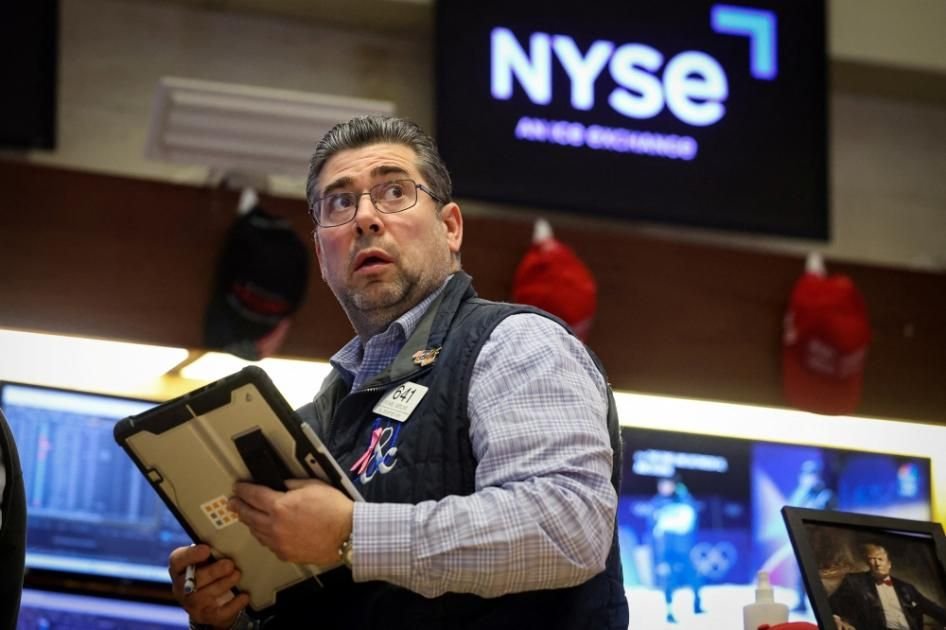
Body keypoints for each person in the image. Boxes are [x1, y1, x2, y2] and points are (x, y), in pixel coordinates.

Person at [168, 115, 629, 630]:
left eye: (394, 191)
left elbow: (568, 527)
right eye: (340, 203)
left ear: (450, 228)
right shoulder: (313, 422)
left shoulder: (513, 342)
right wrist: (227, 616)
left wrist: (352, 533)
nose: (365, 217)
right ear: (321, 253)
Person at [829, 542, 946, 630]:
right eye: (872, 559)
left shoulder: (906, 588)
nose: (877, 564)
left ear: (889, 564)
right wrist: (836, 619)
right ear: (867, 563)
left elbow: (932, 608)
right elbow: (831, 603)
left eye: (880, 559)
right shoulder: (854, 581)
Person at [647, 475, 703, 623]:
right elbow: (653, 527)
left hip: (683, 548)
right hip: (666, 550)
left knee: (692, 576)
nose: (664, 488)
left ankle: (697, 604)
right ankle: (669, 611)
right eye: (661, 485)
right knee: (668, 579)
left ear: (673, 486)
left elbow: (691, 519)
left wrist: (683, 493)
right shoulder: (656, 503)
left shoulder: (683, 499)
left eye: (667, 485)